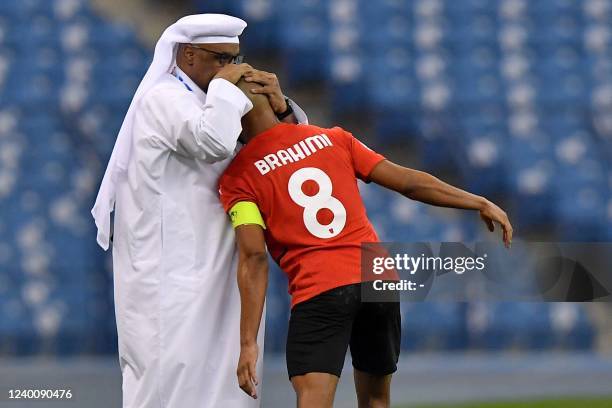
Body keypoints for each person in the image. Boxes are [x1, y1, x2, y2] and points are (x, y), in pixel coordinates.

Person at [218, 80, 513, 408]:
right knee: (376, 399)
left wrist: (248, 343)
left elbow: (254, 255)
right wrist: (478, 202)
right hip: (378, 279)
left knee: (313, 399)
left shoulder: (238, 178)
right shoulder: (333, 139)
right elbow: (409, 182)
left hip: (320, 286)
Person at [90, 14, 307, 408]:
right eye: (220, 59)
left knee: (227, 381)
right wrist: (228, 89)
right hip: (169, 272)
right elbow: (213, 142)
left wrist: (282, 106)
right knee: (171, 376)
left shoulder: (217, 99)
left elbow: (283, 155)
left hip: (222, 262)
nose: (230, 69)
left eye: (235, 58)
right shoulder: (164, 99)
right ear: (188, 55)